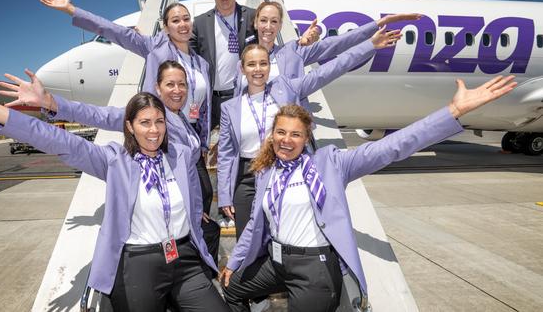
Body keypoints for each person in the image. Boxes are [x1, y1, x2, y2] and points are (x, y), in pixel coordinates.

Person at [0, 67, 230, 312]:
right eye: (145, 122)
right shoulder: (114, 161)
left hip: (185, 258)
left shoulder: (182, 155)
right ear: (129, 126)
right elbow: (58, 140)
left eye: (159, 121)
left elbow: (194, 195)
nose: (154, 129)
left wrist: (195, 214)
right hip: (139, 263)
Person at [219, 76, 517, 312]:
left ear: (306, 137)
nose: (286, 140)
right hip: (276, 262)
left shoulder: (331, 164)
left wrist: (453, 112)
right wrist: (233, 263)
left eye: (295, 134)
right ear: (272, 136)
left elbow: (393, 146)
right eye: (281, 133)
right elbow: (256, 225)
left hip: (314, 269)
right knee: (229, 291)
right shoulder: (266, 171)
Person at [0, 60, 221, 265]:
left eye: (181, 84)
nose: (177, 90)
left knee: (209, 233)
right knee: (206, 237)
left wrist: (193, 205)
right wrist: (51, 103)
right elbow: (98, 115)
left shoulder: (182, 117)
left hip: (188, 203)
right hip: (163, 217)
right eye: (170, 84)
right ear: (157, 87)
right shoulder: (149, 116)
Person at [37, 0, 219, 238]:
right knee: (177, 210)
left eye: (186, 19)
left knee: (203, 201)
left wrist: (204, 141)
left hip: (190, 143)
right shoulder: (155, 47)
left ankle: (196, 259)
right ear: (165, 27)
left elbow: (203, 107)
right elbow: (115, 32)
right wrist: (72, 10)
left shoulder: (201, 64)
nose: (182, 24)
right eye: (175, 20)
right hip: (162, 143)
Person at [218, 26, 401, 239]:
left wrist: (370, 46)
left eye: (263, 63)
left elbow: (331, 70)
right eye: (251, 64)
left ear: (269, 66)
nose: (257, 69)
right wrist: (224, 195)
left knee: (282, 236)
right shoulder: (230, 108)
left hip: (283, 171)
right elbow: (226, 154)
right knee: (246, 240)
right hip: (247, 177)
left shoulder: (287, 88)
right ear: (242, 69)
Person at [189, 0, 318, 128]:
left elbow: (271, 44)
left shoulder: (252, 17)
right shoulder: (199, 24)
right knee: (213, 152)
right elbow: (186, 59)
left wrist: (299, 42)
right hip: (211, 102)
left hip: (245, 96)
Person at [233, 1, 421, 104]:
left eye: (274, 21)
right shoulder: (242, 63)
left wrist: (377, 25)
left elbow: (337, 44)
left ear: (280, 26)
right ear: (256, 22)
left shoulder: (292, 51)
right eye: (264, 20)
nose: (268, 26)